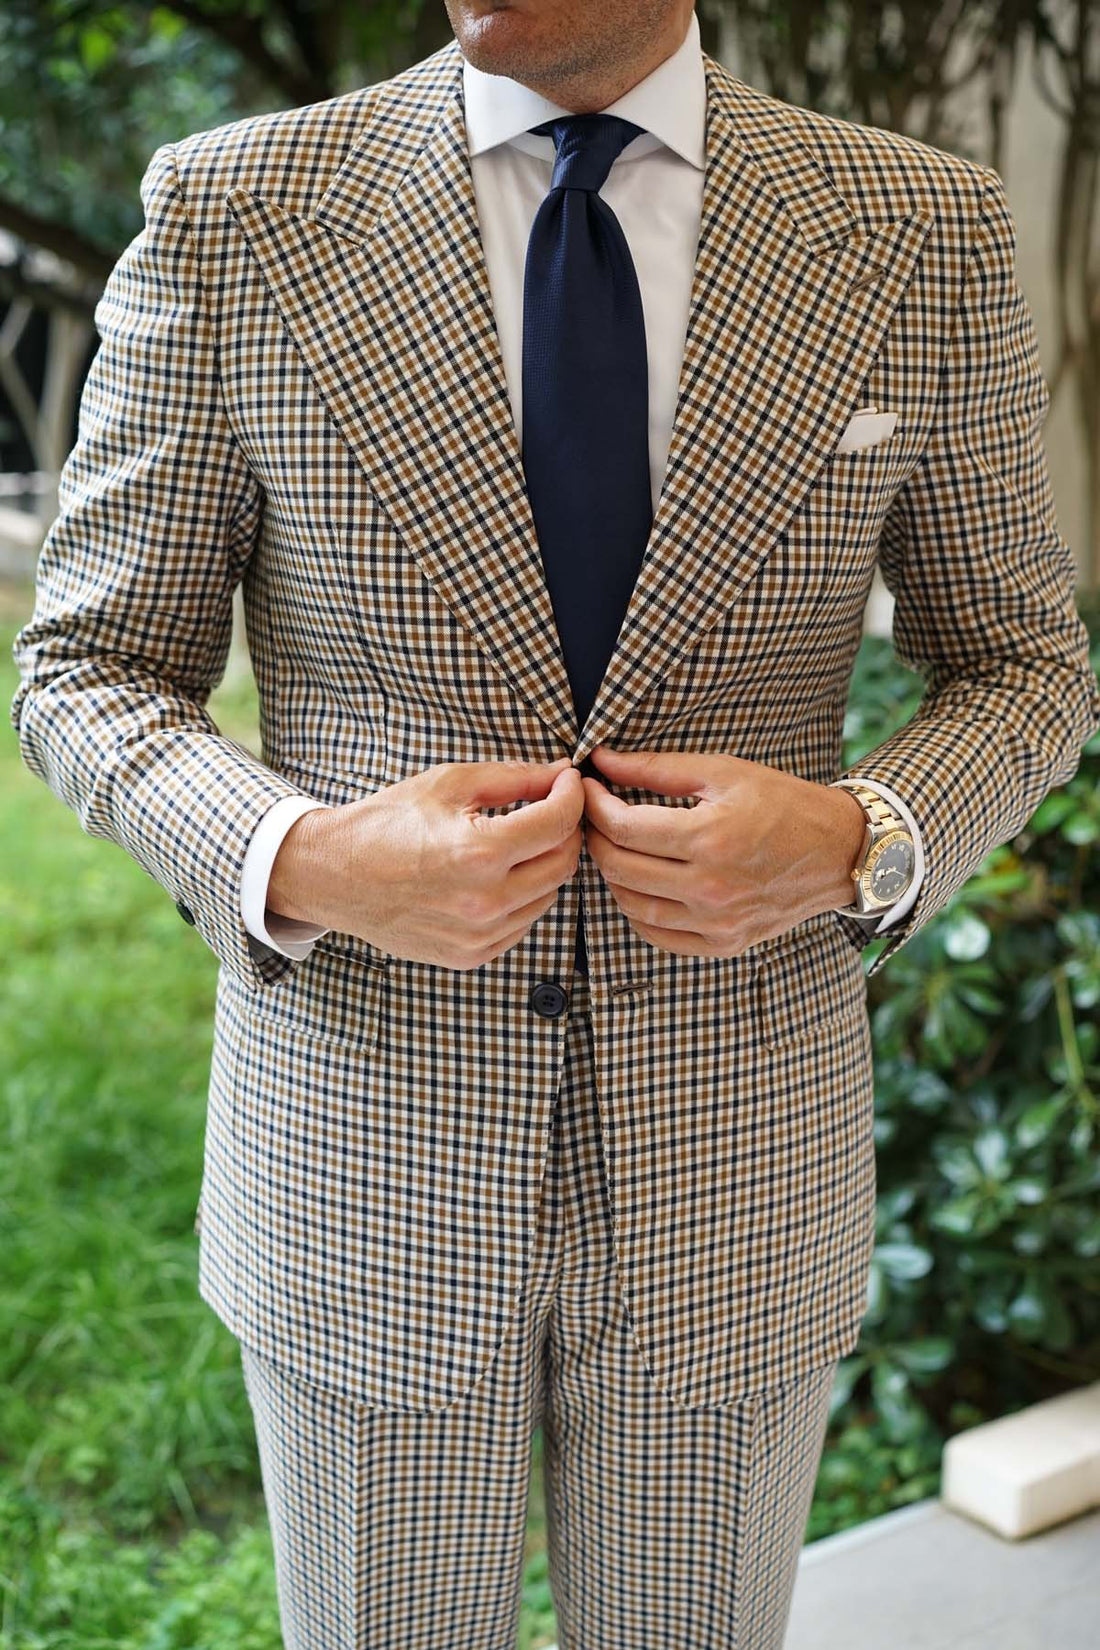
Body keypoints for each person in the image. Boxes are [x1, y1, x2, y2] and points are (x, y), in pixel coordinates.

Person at [11, 2, 1099, 1645]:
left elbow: (1024, 662)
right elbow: (86, 665)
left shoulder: (913, 227)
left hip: (738, 1165)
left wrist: (859, 834)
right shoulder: (242, 211)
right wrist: (305, 860)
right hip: (365, 1157)